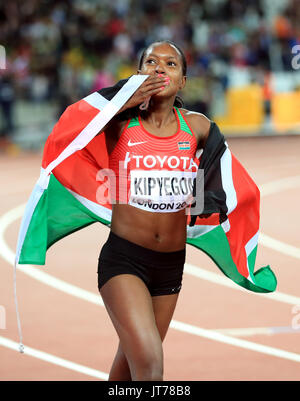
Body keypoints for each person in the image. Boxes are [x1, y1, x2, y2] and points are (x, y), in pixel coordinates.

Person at [97, 40, 211, 381]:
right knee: (149, 363)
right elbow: (86, 114)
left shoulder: (200, 128)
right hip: (123, 260)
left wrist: (200, 201)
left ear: (183, 81)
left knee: (128, 368)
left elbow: (214, 182)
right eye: (151, 62)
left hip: (171, 266)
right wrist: (131, 93)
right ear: (138, 73)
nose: (160, 68)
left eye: (170, 64)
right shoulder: (117, 122)